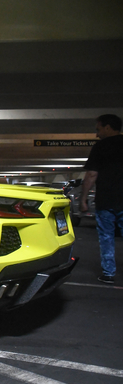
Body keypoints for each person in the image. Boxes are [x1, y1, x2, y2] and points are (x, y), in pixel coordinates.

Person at [80, 114, 123, 284]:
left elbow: (91, 174)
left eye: (98, 129)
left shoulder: (100, 147)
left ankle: (108, 273)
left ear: (107, 127)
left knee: (106, 237)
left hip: (106, 200)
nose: (96, 134)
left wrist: (83, 199)